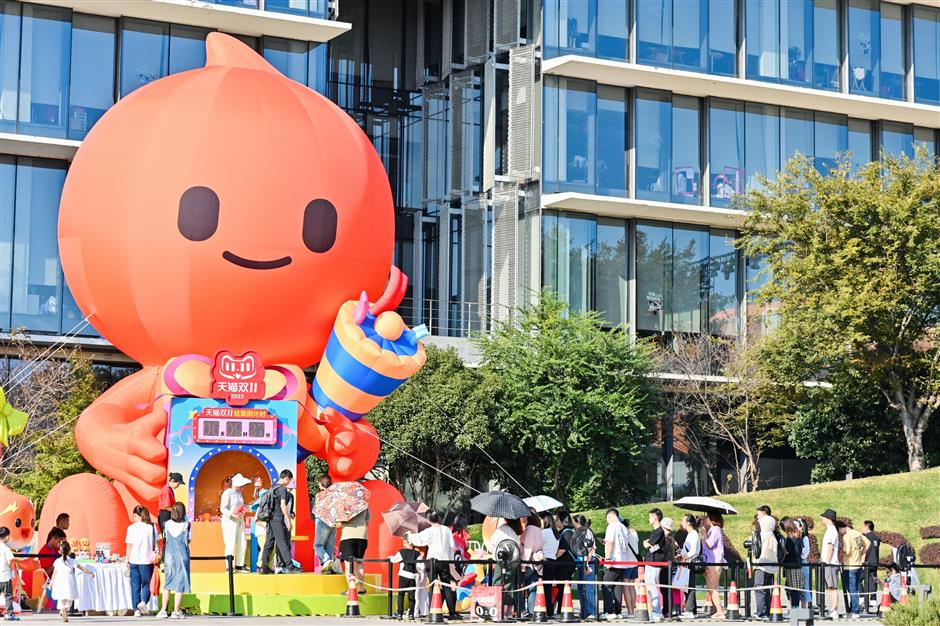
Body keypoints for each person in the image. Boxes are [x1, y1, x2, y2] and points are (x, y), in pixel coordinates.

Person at [406, 511, 458, 620]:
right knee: (447, 586)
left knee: (433, 585)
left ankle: (432, 610)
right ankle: (452, 612)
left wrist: (410, 536)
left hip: (433, 561)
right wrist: (450, 562)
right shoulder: (447, 530)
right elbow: (452, 547)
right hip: (444, 561)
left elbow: (419, 540)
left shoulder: (429, 531)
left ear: (428, 520)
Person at [157, 502, 191, 619]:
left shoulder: (166, 524)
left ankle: (163, 610)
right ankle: (176, 611)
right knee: (180, 584)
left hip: (169, 556)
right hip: (182, 556)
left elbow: (165, 539)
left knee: (168, 582)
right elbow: (189, 540)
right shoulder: (187, 525)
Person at [261, 469, 298, 575]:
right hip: (278, 519)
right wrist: (288, 520)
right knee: (282, 542)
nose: (290, 482)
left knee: (269, 543)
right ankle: (290, 566)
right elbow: (283, 504)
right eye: (290, 480)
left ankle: (264, 567)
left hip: (270, 519)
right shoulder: (282, 489)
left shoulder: (272, 487)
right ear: (286, 478)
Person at [125, 505, 159, 616]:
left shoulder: (131, 528)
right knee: (146, 584)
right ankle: (143, 601)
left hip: (134, 560)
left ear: (135, 515)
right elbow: (157, 544)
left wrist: (127, 560)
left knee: (135, 585)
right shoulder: (152, 527)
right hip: (147, 560)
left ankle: (136, 610)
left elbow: (129, 546)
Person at [50, 541, 93, 623]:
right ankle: (64, 609)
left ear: (59, 551)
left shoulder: (57, 561)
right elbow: (82, 568)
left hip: (59, 581)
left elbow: (54, 573)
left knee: (62, 597)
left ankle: (62, 609)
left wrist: (52, 582)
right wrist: (90, 572)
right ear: (69, 550)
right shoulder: (72, 561)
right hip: (69, 581)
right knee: (69, 597)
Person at [602, 508, 631, 619]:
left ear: (610, 516)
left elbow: (610, 542)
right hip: (622, 560)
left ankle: (610, 611)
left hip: (613, 560)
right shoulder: (623, 527)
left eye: (607, 519)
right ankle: (618, 611)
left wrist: (608, 559)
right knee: (618, 586)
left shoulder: (612, 526)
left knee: (607, 585)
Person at [839, 521, 870, 618]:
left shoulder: (846, 536)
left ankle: (855, 611)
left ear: (841, 528)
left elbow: (847, 551)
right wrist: (861, 554)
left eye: (839, 531)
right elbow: (868, 543)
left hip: (849, 566)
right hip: (857, 565)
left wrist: (841, 548)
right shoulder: (857, 533)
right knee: (855, 588)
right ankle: (853, 609)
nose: (840, 533)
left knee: (852, 589)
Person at [220, 473, 251, 573]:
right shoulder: (227, 493)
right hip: (230, 521)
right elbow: (223, 508)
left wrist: (246, 509)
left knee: (242, 541)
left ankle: (239, 564)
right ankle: (229, 566)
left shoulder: (239, 493)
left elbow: (241, 505)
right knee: (230, 543)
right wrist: (232, 514)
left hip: (239, 519)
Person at [36, 528, 68, 614]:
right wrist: (59, 562)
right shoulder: (44, 551)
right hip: (52, 579)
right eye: (60, 540)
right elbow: (47, 571)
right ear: (53, 538)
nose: (61, 543)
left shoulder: (55, 550)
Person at [312, 475, 340, 574]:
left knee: (318, 545)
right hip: (333, 522)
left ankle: (326, 560)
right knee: (329, 545)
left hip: (322, 521)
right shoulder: (335, 495)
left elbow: (315, 510)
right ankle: (330, 568)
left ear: (321, 484)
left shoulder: (319, 495)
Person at [339, 508, 370, 595]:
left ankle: (351, 588)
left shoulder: (344, 505)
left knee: (348, 564)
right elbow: (367, 521)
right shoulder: (362, 503)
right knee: (359, 562)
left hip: (348, 536)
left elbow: (340, 522)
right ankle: (361, 588)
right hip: (362, 537)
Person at [642, 508, 666, 622]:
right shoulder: (656, 531)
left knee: (652, 586)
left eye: (650, 516)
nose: (649, 519)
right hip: (651, 561)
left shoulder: (659, 531)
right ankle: (656, 611)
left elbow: (648, 544)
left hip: (654, 562)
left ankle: (656, 611)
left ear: (655, 517)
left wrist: (646, 543)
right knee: (651, 586)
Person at [752, 515, 778, 618]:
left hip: (761, 565)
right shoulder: (773, 535)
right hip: (771, 566)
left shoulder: (762, 535)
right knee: (767, 590)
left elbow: (755, 548)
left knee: (759, 588)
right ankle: (767, 611)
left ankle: (761, 612)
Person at [701, 512, 726, 619]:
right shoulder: (713, 530)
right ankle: (716, 609)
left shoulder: (716, 529)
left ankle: (720, 611)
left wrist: (704, 535)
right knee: (711, 586)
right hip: (710, 561)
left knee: (712, 587)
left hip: (714, 561)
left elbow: (710, 544)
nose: (705, 519)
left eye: (707, 517)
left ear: (712, 519)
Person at [520, 510, 543, 618]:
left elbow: (527, 548)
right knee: (532, 587)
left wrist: (523, 564)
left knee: (519, 585)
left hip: (528, 562)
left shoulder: (529, 529)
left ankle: (521, 609)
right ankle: (532, 610)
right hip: (536, 562)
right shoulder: (538, 529)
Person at [676, 514, 700, 619]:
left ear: (688, 523)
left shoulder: (693, 534)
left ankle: (689, 610)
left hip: (690, 562)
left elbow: (694, 551)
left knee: (689, 586)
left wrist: (684, 556)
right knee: (688, 585)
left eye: (683, 520)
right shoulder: (690, 534)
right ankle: (692, 609)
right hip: (687, 561)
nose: (682, 522)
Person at [572, 515, 596, 620]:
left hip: (588, 562)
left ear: (577, 522)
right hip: (581, 562)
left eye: (573, 521)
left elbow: (590, 548)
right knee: (581, 587)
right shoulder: (578, 532)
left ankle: (591, 612)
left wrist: (587, 563)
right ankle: (584, 611)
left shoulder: (586, 532)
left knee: (589, 588)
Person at [552, 511, 576, 615]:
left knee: (563, 587)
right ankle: (561, 609)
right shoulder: (565, 532)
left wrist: (553, 556)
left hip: (565, 565)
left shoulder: (567, 533)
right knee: (561, 587)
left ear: (563, 521)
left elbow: (562, 550)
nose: (555, 521)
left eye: (557, 519)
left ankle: (562, 609)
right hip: (564, 564)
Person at [390, 538, 420, 619]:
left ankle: (399, 613)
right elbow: (420, 566)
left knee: (401, 595)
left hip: (403, 575)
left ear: (404, 543)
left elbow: (393, 560)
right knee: (412, 596)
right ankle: (411, 614)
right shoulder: (417, 553)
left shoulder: (401, 552)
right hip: (412, 577)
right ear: (413, 544)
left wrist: (391, 557)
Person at [819, 509, 841, 619]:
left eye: (824, 517)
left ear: (829, 519)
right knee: (831, 587)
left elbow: (830, 547)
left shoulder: (831, 530)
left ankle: (834, 609)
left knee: (832, 587)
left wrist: (827, 561)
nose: (822, 518)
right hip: (831, 563)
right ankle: (833, 609)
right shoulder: (830, 529)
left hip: (831, 563)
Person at [782, 519, 804, 609]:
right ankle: (795, 608)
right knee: (795, 589)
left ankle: (795, 609)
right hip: (797, 565)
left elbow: (785, 552)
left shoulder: (791, 539)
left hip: (791, 566)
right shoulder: (798, 537)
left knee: (794, 590)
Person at [539, 512, 558, 617]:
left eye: (541, 519)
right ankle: (550, 610)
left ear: (545, 520)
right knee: (548, 588)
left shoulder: (544, 532)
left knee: (544, 587)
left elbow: (538, 545)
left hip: (545, 561)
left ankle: (545, 609)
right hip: (553, 561)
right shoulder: (556, 533)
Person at [0, 527, 19, 622]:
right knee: (8, 595)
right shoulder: (6, 549)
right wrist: (13, 572)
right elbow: (11, 562)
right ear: (7, 537)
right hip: (5, 576)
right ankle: (9, 614)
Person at [862, 520, 880, 613]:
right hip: (875, 562)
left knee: (858, 578)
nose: (862, 528)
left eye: (863, 526)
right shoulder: (877, 538)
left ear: (867, 527)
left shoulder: (864, 537)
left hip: (867, 562)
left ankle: (862, 598)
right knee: (872, 579)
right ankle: (873, 599)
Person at [157, 473, 182, 540]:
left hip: (167, 513)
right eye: (178, 483)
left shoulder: (169, 489)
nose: (178, 486)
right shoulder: (166, 490)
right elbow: (167, 507)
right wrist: (178, 512)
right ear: (173, 480)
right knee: (167, 536)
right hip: (165, 514)